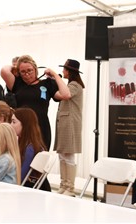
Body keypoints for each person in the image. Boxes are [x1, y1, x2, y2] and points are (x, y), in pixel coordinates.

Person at [0, 54, 70, 150]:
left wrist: (54, 74)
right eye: (23, 71)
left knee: (40, 157)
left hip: (41, 127)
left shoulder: (47, 84)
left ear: (35, 69)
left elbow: (66, 95)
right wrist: (15, 67)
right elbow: (4, 70)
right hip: (22, 128)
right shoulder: (17, 83)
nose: (27, 74)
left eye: (30, 70)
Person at [54, 59, 84, 196]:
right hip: (65, 123)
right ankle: (64, 184)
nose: (62, 71)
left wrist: (55, 77)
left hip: (70, 123)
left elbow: (64, 95)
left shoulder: (75, 85)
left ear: (69, 71)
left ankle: (70, 188)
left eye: (64, 69)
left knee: (68, 155)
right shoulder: (70, 85)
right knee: (62, 154)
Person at [11, 107, 51, 191]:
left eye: (14, 122)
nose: (11, 125)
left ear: (25, 124)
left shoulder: (30, 149)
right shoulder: (30, 145)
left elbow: (19, 178)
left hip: (27, 191)